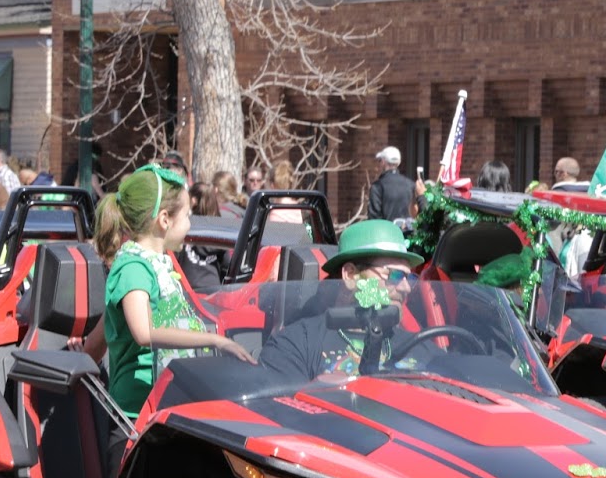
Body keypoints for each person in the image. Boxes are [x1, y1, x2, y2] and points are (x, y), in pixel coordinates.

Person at [97, 165, 252, 418]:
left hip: (166, 400)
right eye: (188, 216)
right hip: (135, 415)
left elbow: (103, 330)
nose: (191, 225)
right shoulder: (133, 267)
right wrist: (215, 340)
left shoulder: (160, 262)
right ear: (165, 219)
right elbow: (144, 333)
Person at [260, 220, 425, 382]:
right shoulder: (296, 344)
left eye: (409, 278)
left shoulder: (420, 345)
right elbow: (278, 407)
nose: (406, 288)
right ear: (350, 275)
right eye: (395, 275)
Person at [179, 182, 227, 293]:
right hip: (213, 286)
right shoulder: (222, 229)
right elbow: (226, 265)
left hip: (189, 287)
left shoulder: (187, 226)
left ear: (194, 200)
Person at [367, 145, 414, 222]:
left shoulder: (377, 187)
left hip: (386, 233)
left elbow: (374, 218)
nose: (379, 164)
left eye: (380, 161)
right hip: (408, 232)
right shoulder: (411, 185)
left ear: (383, 162)